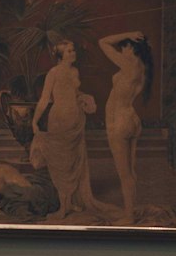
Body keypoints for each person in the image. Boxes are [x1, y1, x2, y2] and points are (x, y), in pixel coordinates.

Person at [29, 40, 102, 218]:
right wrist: (35, 121)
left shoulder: (74, 71)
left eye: (73, 49)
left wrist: (83, 96)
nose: (73, 53)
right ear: (61, 56)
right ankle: (63, 207)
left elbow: (73, 92)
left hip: (76, 119)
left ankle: (70, 203)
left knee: (74, 161)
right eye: (69, 51)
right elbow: (45, 99)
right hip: (60, 119)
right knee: (62, 162)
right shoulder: (53, 73)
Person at [99, 30, 153, 223]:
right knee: (130, 170)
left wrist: (127, 34)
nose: (121, 50)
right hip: (131, 119)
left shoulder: (130, 65)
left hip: (120, 121)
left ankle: (129, 216)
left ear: (131, 48)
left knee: (124, 173)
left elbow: (103, 41)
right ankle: (129, 210)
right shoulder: (141, 67)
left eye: (124, 47)